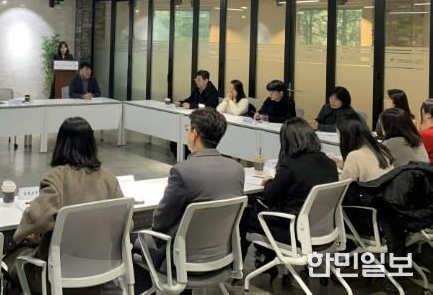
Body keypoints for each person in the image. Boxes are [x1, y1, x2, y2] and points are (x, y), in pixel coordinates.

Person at [4, 117, 123, 295]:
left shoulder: (56, 178)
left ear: (61, 144)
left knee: (10, 261)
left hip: (58, 279)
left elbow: (37, 219)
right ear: (91, 143)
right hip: (100, 276)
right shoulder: (109, 179)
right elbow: (125, 225)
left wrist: (23, 234)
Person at [147, 108, 244, 267]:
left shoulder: (183, 171)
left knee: (129, 242)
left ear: (194, 134)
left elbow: (160, 222)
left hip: (181, 258)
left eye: (188, 128)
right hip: (222, 256)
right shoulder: (237, 170)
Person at [240, 118, 338, 269]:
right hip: (323, 230)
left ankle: (240, 267)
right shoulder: (329, 163)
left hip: (293, 230)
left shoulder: (291, 165)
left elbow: (269, 197)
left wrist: (269, 181)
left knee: (246, 215)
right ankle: (268, 261)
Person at [334, 114, 393, 182]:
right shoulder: (381, 149)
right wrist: (342, 163)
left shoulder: (354, 156)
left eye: (338, 134)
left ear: (346, 136)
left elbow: (344, 185)